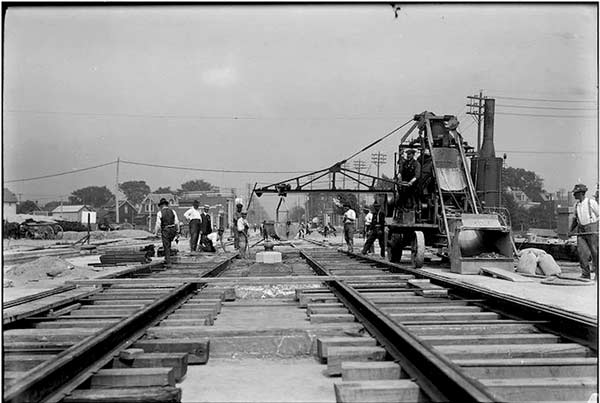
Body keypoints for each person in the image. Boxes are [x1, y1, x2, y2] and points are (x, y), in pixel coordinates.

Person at [569, 183, 599, 280]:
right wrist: (570, 230)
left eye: (576, 193)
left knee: (595, 253)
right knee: (582, 252)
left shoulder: (591, 202)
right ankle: (586, 274)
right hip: (581, 230)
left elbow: (599, 215)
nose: (574, 195)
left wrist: (597, 228)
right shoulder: (576, 205)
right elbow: (575, 219)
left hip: (592, 229)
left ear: (581, 193)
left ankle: (598, 275)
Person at [154, 198, 180, 268]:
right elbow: (177, 222)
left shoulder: (160, 213)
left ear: (161, 205)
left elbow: (158, 224)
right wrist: (177, 231)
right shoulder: (173, 211)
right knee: (170, 244)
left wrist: (156, 233)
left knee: (166, 246)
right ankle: (168, 258)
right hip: (173, 229)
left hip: (166, 229)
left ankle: (168, 261)